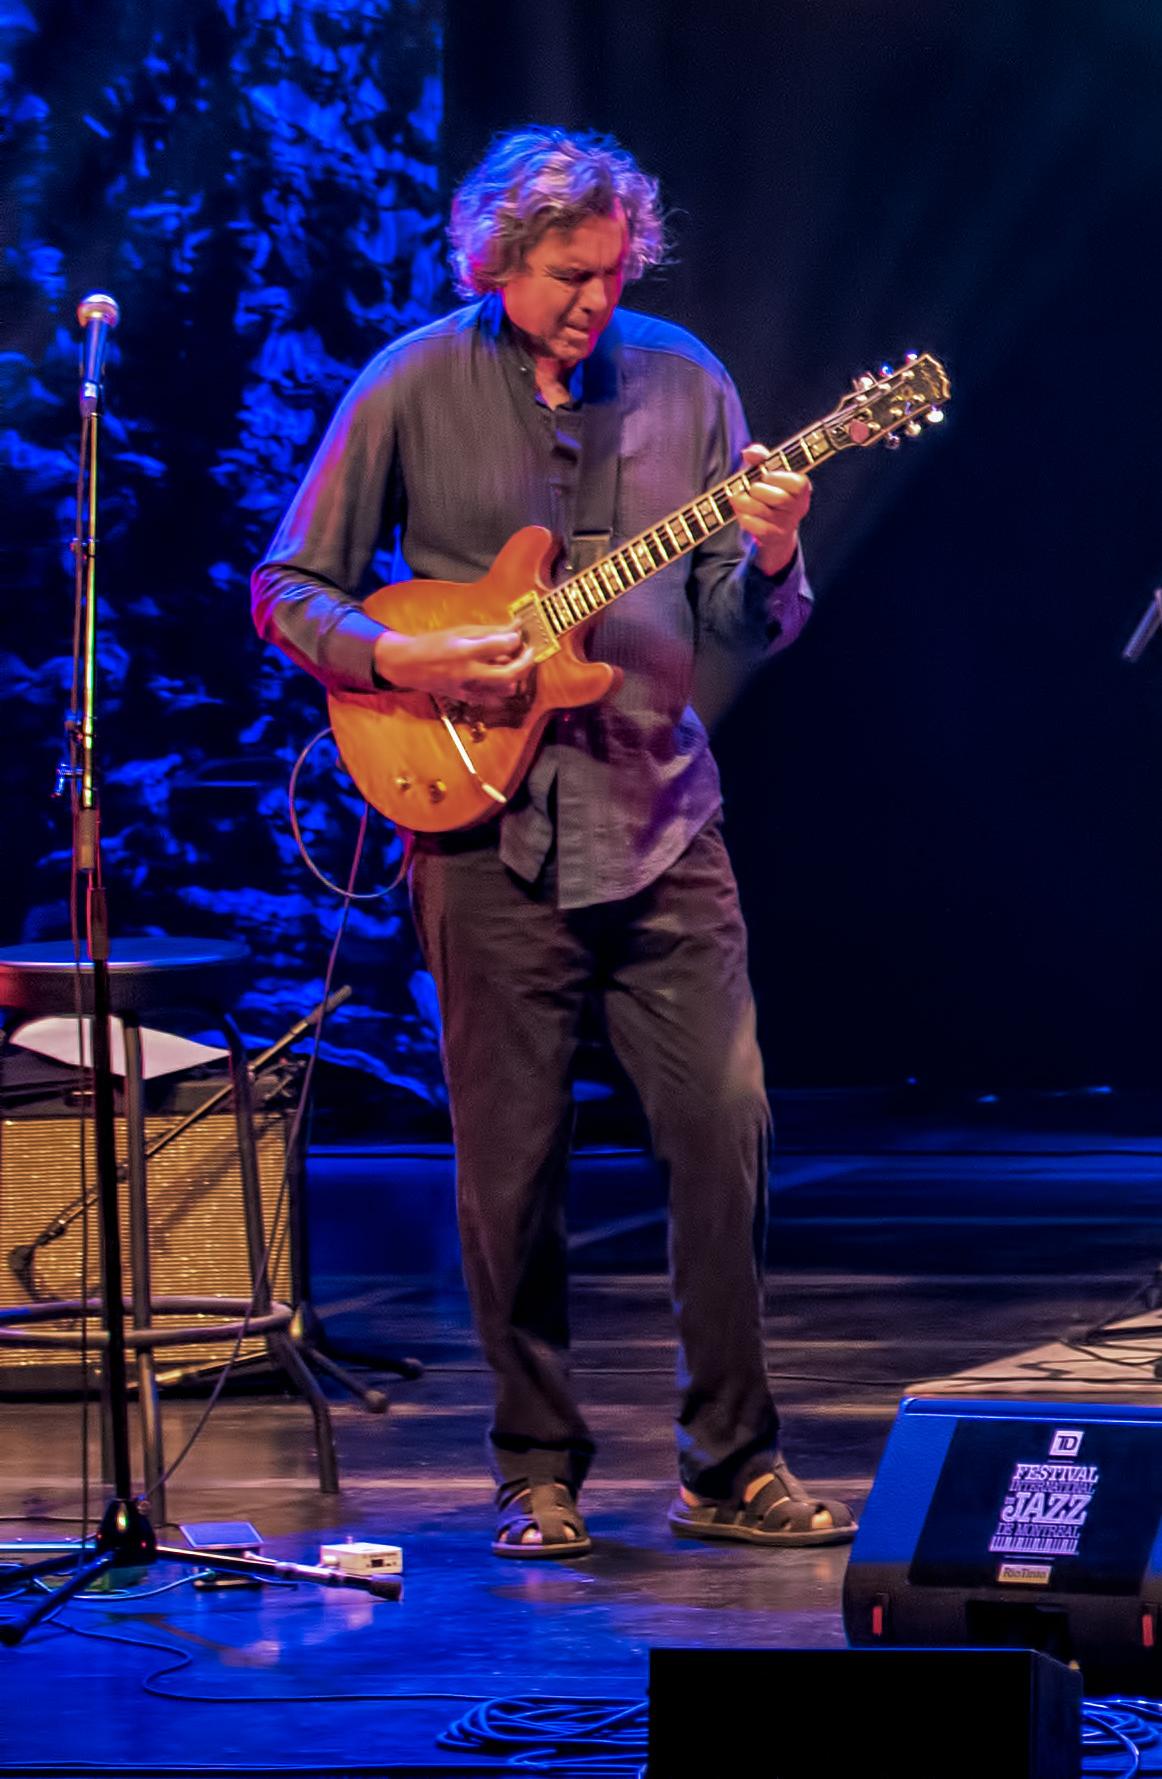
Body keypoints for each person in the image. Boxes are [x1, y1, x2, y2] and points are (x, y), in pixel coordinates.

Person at [252, 128, 851, 1558]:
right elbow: (288, 587)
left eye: (614, 271)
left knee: (725, 1136)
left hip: (660, 816)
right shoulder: (408, 380)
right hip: (481, 828)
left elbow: (735, 620)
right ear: (499, 259)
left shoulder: (687, 380)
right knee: (507, 1170)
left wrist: (771, 550)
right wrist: (408, 666)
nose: (596, 299)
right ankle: (537, 1469)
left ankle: (730, 1462)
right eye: (570, 275)